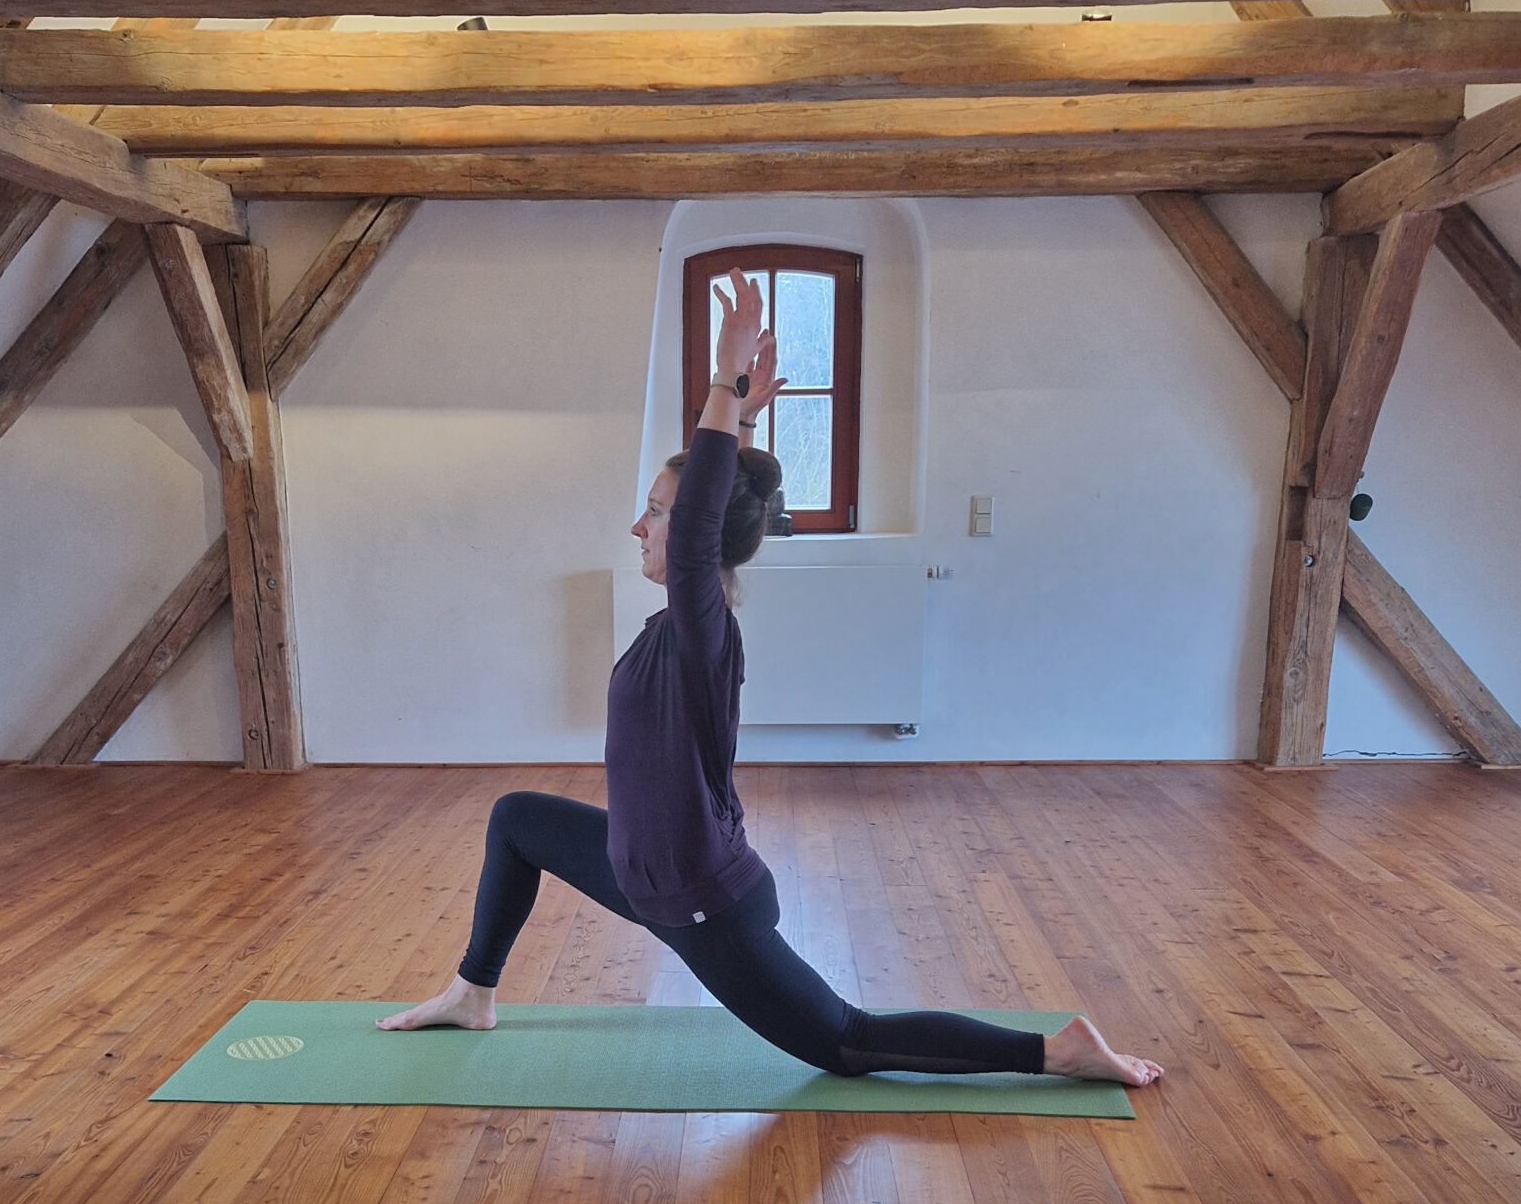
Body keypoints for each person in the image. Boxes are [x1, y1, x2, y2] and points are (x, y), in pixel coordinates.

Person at [380, 272, 1162, 1091]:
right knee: (517, 818)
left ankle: (1055, 1051)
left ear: (698, 536)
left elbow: (698, 527)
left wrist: (723, 381)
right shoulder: (672, 627)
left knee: (849, 1045)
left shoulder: (702, 629)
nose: (638, 525)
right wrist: (746, 416)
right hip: (640, 872)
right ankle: (473, 992)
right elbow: (708, 514)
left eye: (656, 511)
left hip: (704, 905)